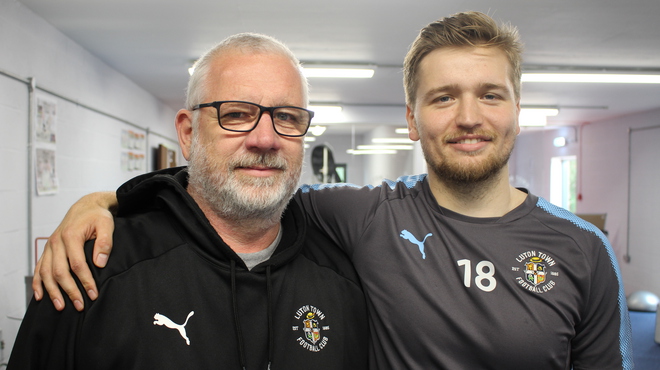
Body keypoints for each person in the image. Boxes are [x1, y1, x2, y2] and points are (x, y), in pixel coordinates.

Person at [30, 12, 634, 369]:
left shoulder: (584, 250)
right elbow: (221, 190)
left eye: (491, 95)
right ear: (411, 118)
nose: (468, 117)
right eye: (444, 97)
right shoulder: (365, 218)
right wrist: (106, 201)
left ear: (518, 109)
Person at [8, 33, 368, 369]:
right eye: (237, 114)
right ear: (188, 132)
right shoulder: (93, 270)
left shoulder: (342, 281)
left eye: (286, 117)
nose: (264, 139)